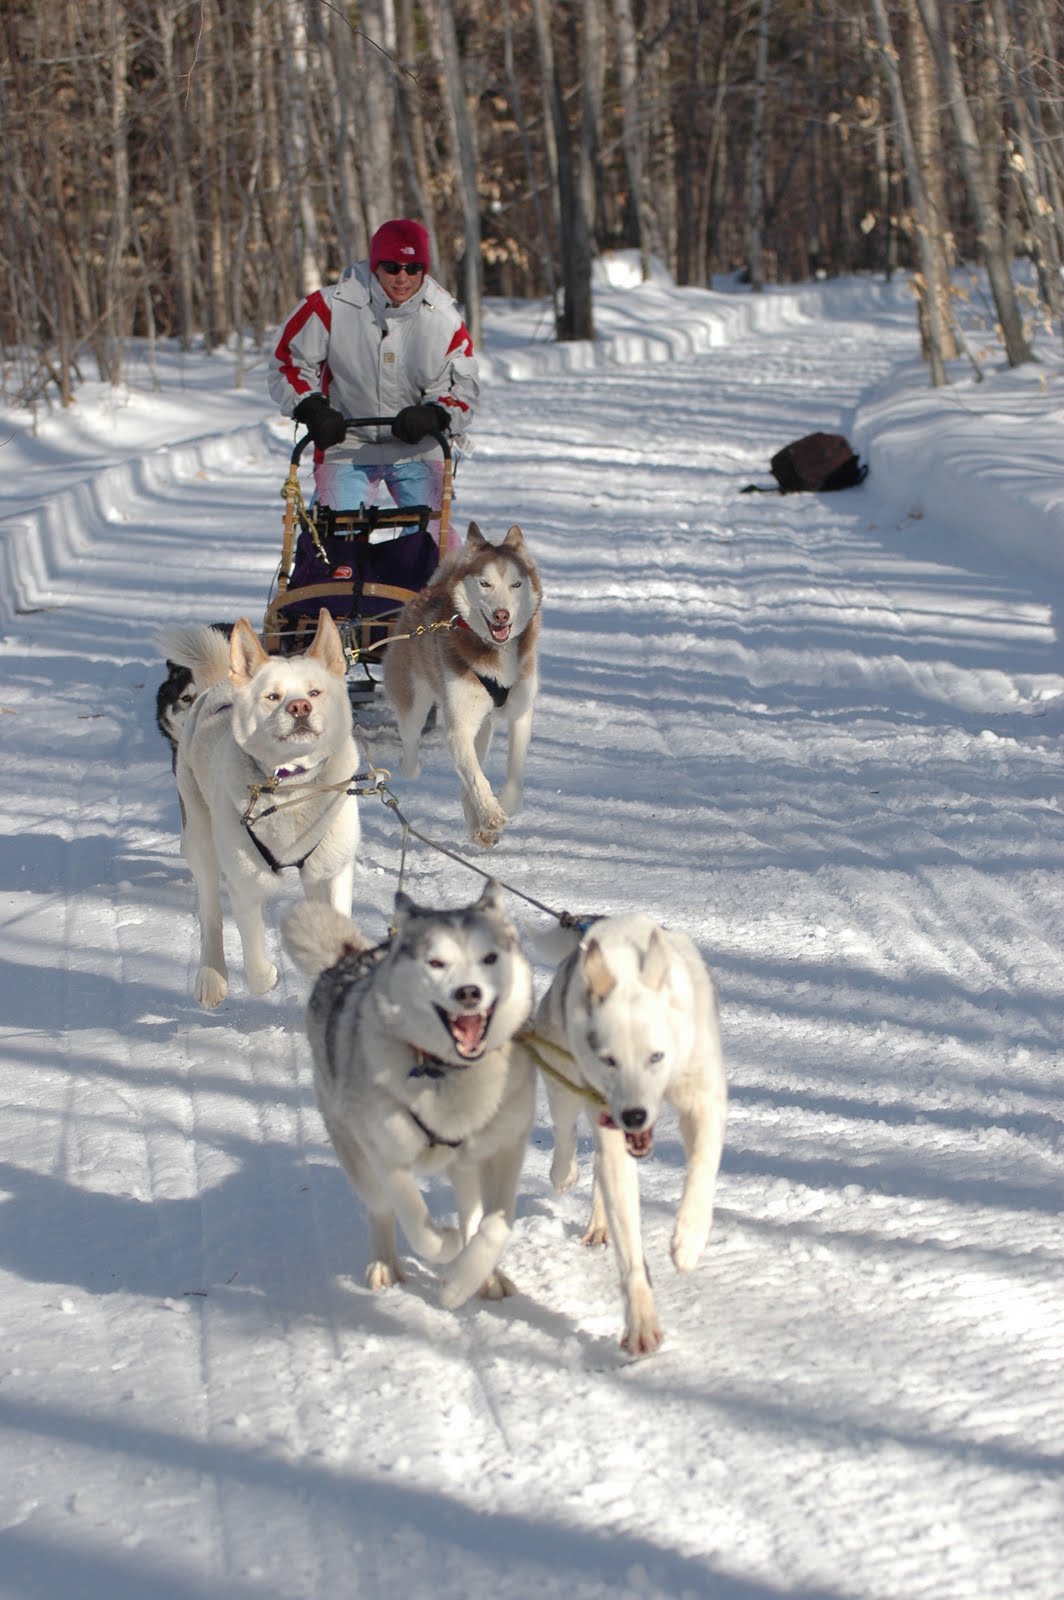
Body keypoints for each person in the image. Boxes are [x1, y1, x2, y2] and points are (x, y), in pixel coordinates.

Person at [268, 219, 478, 552]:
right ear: (375, 265)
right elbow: (288, 361)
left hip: (416, 446)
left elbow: (461, 386)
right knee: (331, 537)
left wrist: (436, 415)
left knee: (433, 541)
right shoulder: (330, 306)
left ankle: (425, 598)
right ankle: (331, 594)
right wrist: (312, 407)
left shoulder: (443, 319)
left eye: (413, 268)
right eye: (392, 267)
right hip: (347, 441)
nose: (402, 277)